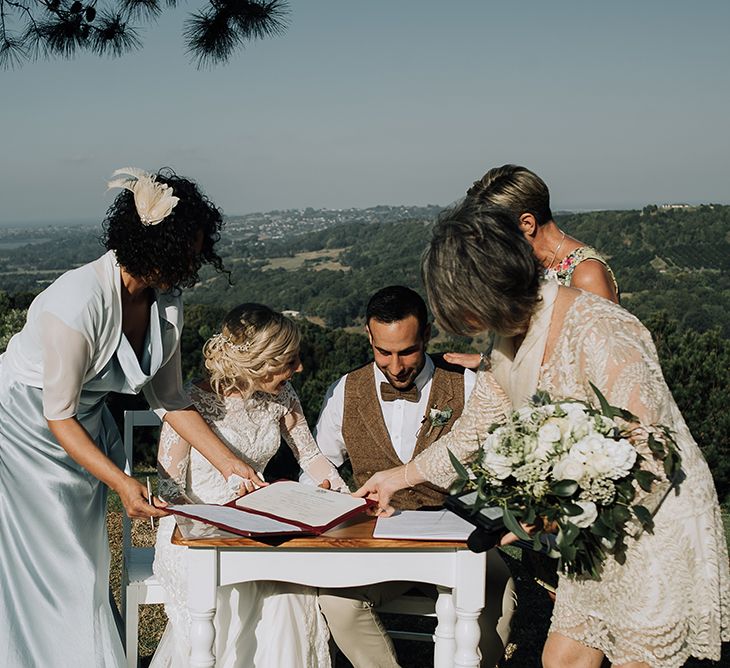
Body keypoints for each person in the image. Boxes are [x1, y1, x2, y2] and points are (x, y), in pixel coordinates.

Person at [354, 203, 730, 668]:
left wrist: (550, 516)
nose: (468, 325)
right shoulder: (508, 337)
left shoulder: (603, 329)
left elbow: (654, 453)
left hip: (651, 519)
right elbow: (475, 428)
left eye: (467, 308)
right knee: (562, 658)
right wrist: (399, 476)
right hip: (589, 523)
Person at [0, 168, 265, 668]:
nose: (193, 263)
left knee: (85, 567)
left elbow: (169, 398)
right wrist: (123, 482)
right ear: (152, 243)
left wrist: (230, 463)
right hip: (23, 428)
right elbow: (56, 415)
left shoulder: (168, 304)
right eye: (187, 251)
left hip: (82, 430)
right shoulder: (74, 303)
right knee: (56, 567)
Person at [312, 285, 515, 668]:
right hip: (376, 541)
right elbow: (320, 465)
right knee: (337, 601)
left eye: (407, 351)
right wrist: (333, 496)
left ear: (427, 334)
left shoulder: (468, 383)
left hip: (458, 533)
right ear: (369, 337)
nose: (395, 365)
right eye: (383, 352)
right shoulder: (344, 391)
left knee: (498, 593)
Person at [151, 303, 348, 668]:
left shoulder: (283, 397)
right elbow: (169, 492)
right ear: (258, 362)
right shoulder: (190, 404)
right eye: (289, 362)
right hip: (196, 532)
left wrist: (342, 495)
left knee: (289, 594)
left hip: (260, 526)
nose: (299, 368)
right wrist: (215, 523)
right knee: (242, 591)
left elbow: (311, 457)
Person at [446, 164, 620, 372]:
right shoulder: (528, 270)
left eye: (494, 234)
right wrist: (490, 361)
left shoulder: (586, 275)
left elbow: (608, 365)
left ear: (527, 224)